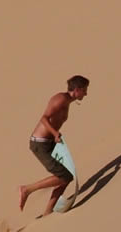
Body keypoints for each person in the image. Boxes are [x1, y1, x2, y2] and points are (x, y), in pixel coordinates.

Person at [19, 75, 89, 215]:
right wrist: (55, 133)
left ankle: (48, 212)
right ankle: (27, 189)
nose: (86, 94)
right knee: (64, 176)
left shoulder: (67, 101)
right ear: (77, 89)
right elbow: (44, 118)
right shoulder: (60, 99)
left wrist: (54, 135)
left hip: (49, 142)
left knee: (66, 176)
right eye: (84, 90)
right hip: (40, 144)